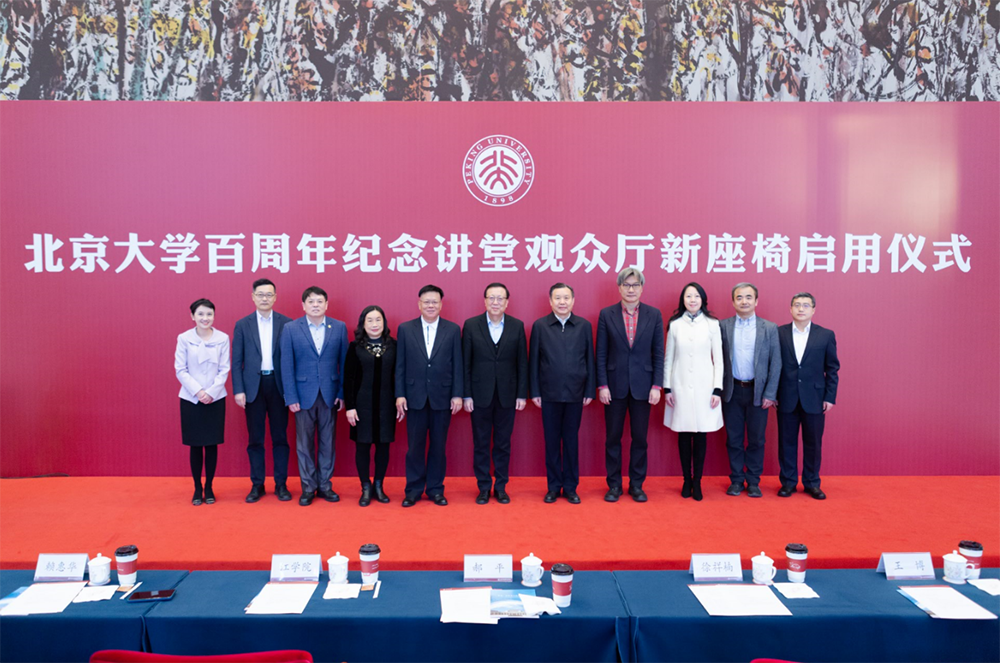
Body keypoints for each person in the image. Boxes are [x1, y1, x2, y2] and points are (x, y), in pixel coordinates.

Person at [596, 268, 663, 503]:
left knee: (640, 439)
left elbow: (658, 353)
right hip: (614, 386)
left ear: (642, 288)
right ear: (619, 288)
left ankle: (636, 485)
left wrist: (657, 385)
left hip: (644, 387)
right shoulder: (607, 314)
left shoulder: (654, 315)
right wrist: (602, 385)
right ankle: (614, 485)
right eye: (626, 285)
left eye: (635, 285)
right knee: (613, 438)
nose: (631, 289)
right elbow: (601, 353)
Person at [280, 286, 348, 506]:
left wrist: (342, 392)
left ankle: (325, 486)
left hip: (330, 394)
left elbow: (345, 363)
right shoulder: (291, 328)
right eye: (311, 301)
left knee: (328, 442)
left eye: (320, 301)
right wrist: (291, 397)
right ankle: (308, 487)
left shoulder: (339, 327)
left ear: (327, 304)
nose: (315, 305)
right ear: (303, 305)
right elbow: (286, 365)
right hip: (302, 395)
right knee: (304, 444)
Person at [395, 285, 463, 507]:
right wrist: (399, 394)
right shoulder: (406, 329)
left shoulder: (453, 330)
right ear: (419, 304)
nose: (431, 305)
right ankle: (413, 490)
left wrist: (457, 394)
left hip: (442, 397)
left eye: (435, 302)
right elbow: (400, 364)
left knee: (438, 447)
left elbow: (458, 364)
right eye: (427, 302)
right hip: (414, 397)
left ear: (441, 304)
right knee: (414, 447)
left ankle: (435, 489)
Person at [462, 283, 528, 504]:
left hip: (507, 394)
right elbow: (465, 363)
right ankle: (483, 487)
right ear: (485, 301)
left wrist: (521, 394)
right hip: (479, 394)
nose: (496, 302)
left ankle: (500, 487)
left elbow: (522, 362)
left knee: (503, 444)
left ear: (507, 302)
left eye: (500, 298)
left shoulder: (517, 326)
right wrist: (466, 395)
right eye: (492, 298)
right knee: (481, 443)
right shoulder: (471, 325)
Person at [529, 283, 596, 504]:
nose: (562, 302)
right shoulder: (540, 326)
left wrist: (589, 389)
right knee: (551, 443)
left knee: (571, 442)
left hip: (576, 393)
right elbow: (534, 361)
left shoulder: (583, 326)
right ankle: (553, 487)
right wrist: (535, 391)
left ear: (573, 301)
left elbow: (590, 359)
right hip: (548, 394)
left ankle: (570, 487)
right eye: (557, 298)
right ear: (550, 301)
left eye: (566, 298)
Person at [232, 279, 293, 503]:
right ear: (253, 297)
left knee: (280, 438)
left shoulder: (287, 323)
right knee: (255, 439)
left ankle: (281, 484)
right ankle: (257, 484)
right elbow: (236, 361)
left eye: (269, 294)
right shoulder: (242, 324)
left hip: (278, 385)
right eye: (260, 294)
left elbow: (291, 360)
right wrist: (239, 390)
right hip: (253, 388)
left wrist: (291, 391)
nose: (264, 298)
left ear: (275, 297)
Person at [719, 283, 781, 498]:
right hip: (732, 390)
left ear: (756, 301)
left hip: (758, 392)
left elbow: (776, 363)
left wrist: (770, 394)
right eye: (739, 297)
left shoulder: (769, 328)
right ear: (733, 301)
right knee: (733, 439)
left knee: (756, 439)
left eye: (748, 297)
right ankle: (736, 480)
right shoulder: (722, 326)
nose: (744, 301)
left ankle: (753, 481)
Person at [662, 282, 723, 501]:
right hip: (679, 386)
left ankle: (697, 481)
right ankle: (686, 480)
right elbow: (668, 358)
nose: (692, 300)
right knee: (684, 433)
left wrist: (717, 389)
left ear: (702, 299)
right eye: (688, 296)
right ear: (683, 300)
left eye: (696, 296)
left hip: (705, 388)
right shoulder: (675, 325)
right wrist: (667, 388)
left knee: (700, 434)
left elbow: (719, 360)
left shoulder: (713, 324)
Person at [776, 292, 839, 500]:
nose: (801, 309)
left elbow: (832, 368)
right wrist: (772, 393)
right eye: (797, 305)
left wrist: (829, 397)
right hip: (786, 396)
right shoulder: (779, 333)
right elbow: (773, 366)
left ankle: (812, 483)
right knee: (786, 442)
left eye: (805, 305)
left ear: (813, 310)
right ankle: (788, 483)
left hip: (815, 398)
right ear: (790, 309)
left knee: (813, 443)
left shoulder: (826, 335)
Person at [175, 298, 230, 506]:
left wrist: (211, 392)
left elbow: (224, 369)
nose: (205, 318)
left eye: (209, 314)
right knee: (196, 445)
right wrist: (198, 392)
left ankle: (209, 486)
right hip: (191, 398)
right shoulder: (184, 338)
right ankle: (197, 487)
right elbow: (180, 369)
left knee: (212, 444)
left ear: (214, 316)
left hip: (216, 398)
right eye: (200, 314)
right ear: (192, 316)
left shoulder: (222, 338)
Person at [344, 305, 402, 506]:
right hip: (362, 405)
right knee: (363, 446)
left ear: (384, 323)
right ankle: (365, 487)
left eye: (378, 320)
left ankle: (379, 485)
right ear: (363, 323)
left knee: (383, 446)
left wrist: (400, 398)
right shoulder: (355, 347)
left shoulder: (394, 345)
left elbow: (399, 375)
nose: (374, 324)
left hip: (387, 404)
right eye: (370, 320)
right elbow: (349, 379)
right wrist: (350, 407)